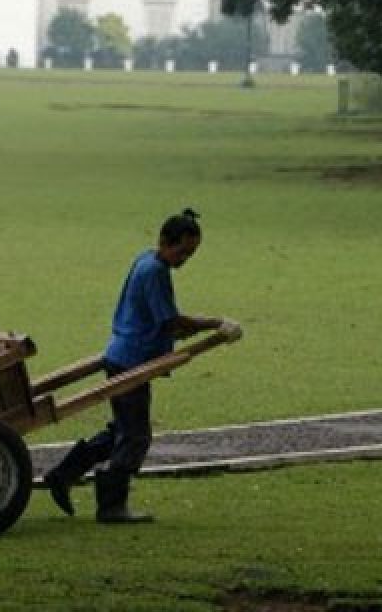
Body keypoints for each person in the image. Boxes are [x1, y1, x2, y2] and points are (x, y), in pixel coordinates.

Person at [43, 208, 239, 524]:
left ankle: (63, 474)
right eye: (183, 251)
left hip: (122, 355)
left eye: (191, 253)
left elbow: (168, 323)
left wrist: (200, 328)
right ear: (165, 240)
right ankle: (111, 506)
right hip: (132, 361)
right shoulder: (155, 272)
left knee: (123, 429)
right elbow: (172, 324)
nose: (185, 259)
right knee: (135, 436)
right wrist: (216, 323)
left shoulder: (146, 260)